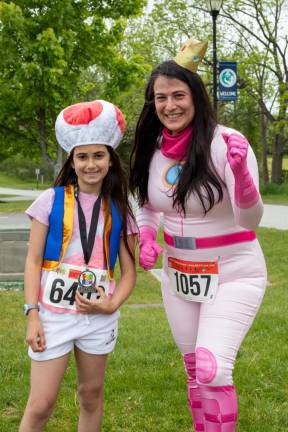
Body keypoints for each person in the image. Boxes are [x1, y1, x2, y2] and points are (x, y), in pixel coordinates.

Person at [129, 37, 267, 432]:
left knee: (212, 369)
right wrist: (148, 236)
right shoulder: (154, 149)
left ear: (197, 97)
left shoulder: (226, 143)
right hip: (180, 277)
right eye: (160, 98)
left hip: (233, 273)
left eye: (178, 95)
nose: (169, 105)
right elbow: (150, 205)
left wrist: (241, 176)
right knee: (193, 371)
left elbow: (251, 219)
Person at [19, 99, 137, 432]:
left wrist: (112, 303)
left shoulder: (119, 207)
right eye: (82, 157)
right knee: (40, 405)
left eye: (98, 156)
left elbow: (129, 272)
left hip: (98, 318)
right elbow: (32, 261)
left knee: (91, 395)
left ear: (110, 161)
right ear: (72, 161)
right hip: (53, 316)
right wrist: (32, 315)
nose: (90, 164)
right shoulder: (51, 200)